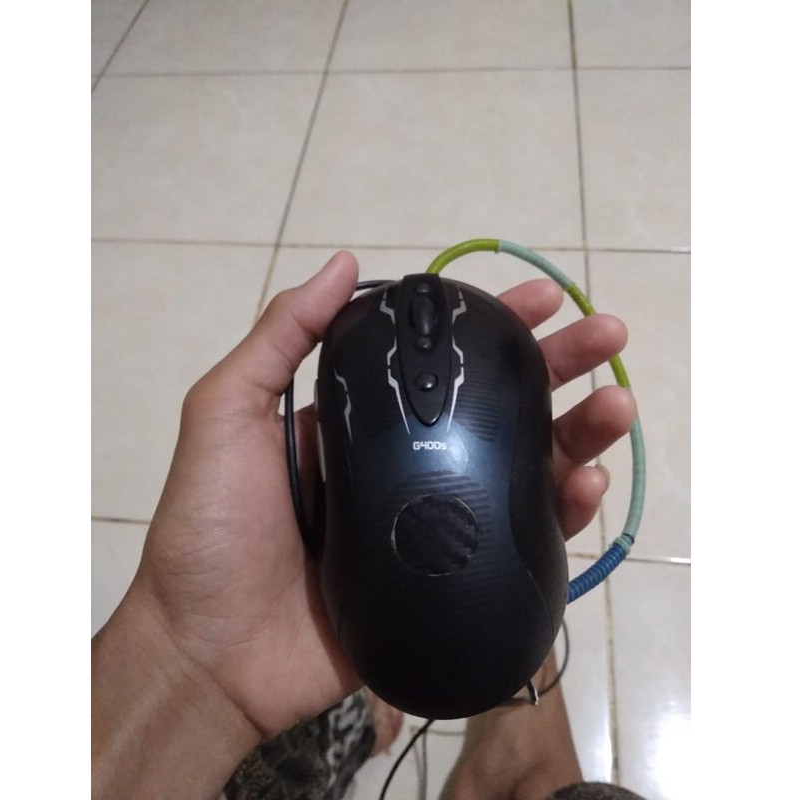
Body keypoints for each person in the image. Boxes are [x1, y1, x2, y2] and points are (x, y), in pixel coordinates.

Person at [92, 251, 644, 800]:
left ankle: (373, 723)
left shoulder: (359, 340)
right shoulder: (494, 339)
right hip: (491, 631)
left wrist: (185, 661)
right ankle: (491, 739)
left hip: (379, 645)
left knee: (329, 737)